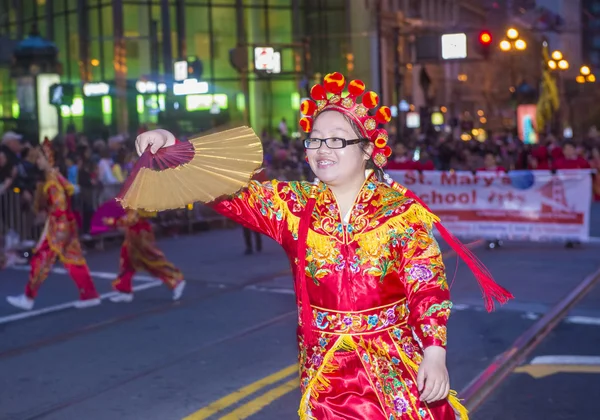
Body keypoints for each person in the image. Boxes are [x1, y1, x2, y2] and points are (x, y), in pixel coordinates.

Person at [133, 73, 512, 419]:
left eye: (335, 140)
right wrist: (173, 147)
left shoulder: (402, 214)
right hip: (327, 378)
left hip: (395, 373)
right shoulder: (294, 208)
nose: (321, 149)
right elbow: (230, 192)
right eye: (314, 140)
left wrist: (434, 354)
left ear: (367, 149)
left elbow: (426, 287)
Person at [6, 141, 100, 311]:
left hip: (59, 227)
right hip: (65, 225)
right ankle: (90, 294)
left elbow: (59, 207)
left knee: (40, 260)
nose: (37, 161)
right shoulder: (56, 176)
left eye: (40, 157)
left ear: (48, 158)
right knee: (74, 261)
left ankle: (28, 297)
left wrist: (52, 228)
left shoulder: (52, 180)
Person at [105, 209, 186, 302]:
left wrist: (113, 222)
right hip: (134, 236)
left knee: (150, 263)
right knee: (127, 263)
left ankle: (174, 279)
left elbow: (131, 219)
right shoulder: (137, 200)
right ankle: (125, 291)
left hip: (139, 238)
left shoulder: (139, 201)